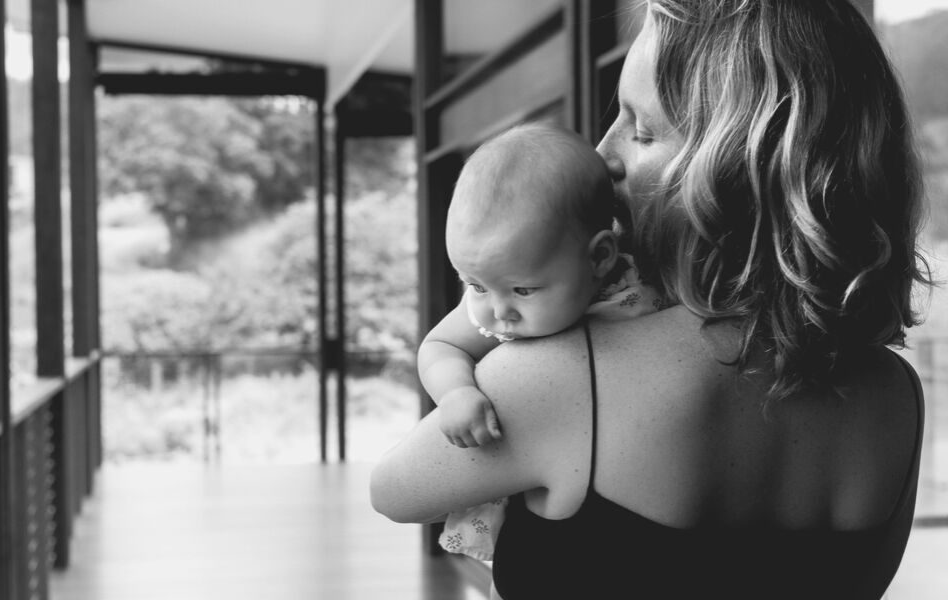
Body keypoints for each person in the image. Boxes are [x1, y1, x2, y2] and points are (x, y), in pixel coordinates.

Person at [372, 0, 930, 597]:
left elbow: (394, 491)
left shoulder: (571, 375)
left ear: (740, 168)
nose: (602, 152)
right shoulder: (897, 393)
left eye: (641, 131)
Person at [417, 123, 661, 562]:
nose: (498, 311)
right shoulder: (496, 301)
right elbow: (440, 347)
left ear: (600, 257)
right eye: (475, 285)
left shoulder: (642, 284)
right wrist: (455, 393)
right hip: (522, 484)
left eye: (523, 290)